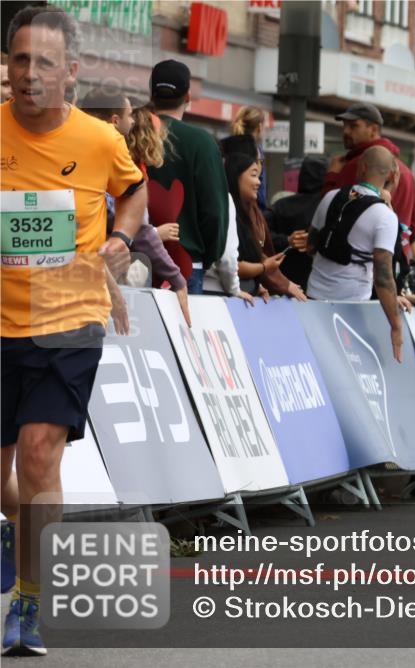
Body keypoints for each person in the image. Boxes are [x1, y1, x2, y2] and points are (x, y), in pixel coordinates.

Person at [1, 6, 146, 656]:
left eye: (44, 63)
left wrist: (119, 238)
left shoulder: (98, 140)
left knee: (39, 453)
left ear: (71, 72)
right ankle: (25, 533)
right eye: (19, 59)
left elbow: (136, 192)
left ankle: (28, 601)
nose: (29, 74)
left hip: (67, 319)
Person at [79, 86, 193, 326]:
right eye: (130, 115)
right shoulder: (107, 164)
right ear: (114, 121)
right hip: (88, 289)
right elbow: (139, 229)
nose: (133, 122)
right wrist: (176, 277)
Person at [308, 146, 405, 362]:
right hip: (350, 309)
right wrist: (396, 326)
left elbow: (311, 245)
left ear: (361, 168)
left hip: (313, 299)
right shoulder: (385, 216)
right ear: (391, 175)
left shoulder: (331, 197)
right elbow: (383, 278)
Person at [146, 59, 228, 295]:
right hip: (186, 263)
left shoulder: (132, 134)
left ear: (151, 93)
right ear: (188, 96)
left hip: (135, 260)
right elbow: (214, 211)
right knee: (183, 331)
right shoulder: (201, 142)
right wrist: (208, 254)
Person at [323, 102, 415, 259]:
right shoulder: (406, 171)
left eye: (353, 126)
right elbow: (414, 227)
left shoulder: (357, 165)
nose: (345, 131)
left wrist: (332, 175)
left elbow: (330, 210)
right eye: (344, 126)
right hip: (398, 261)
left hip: (362, 262)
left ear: (374, 129)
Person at [224, 151, 307, 303]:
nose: (258, 183)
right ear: (236, 176)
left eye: (258, 176)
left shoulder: (249, 211)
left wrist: (257, 284)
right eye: (253, 175)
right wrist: (264, 268)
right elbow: (232, 264)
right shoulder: (229, 209)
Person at [270, 155, 327, 289]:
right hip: (319, 286)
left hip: (284, 283)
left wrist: (287, 240)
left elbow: (260, 235)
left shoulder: (280, 205)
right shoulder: (329, 205)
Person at [231, 106, 270, 212]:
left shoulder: (228, 147)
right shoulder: (257, 153)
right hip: (249, 212)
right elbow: (260, 195)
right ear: (259, 127)